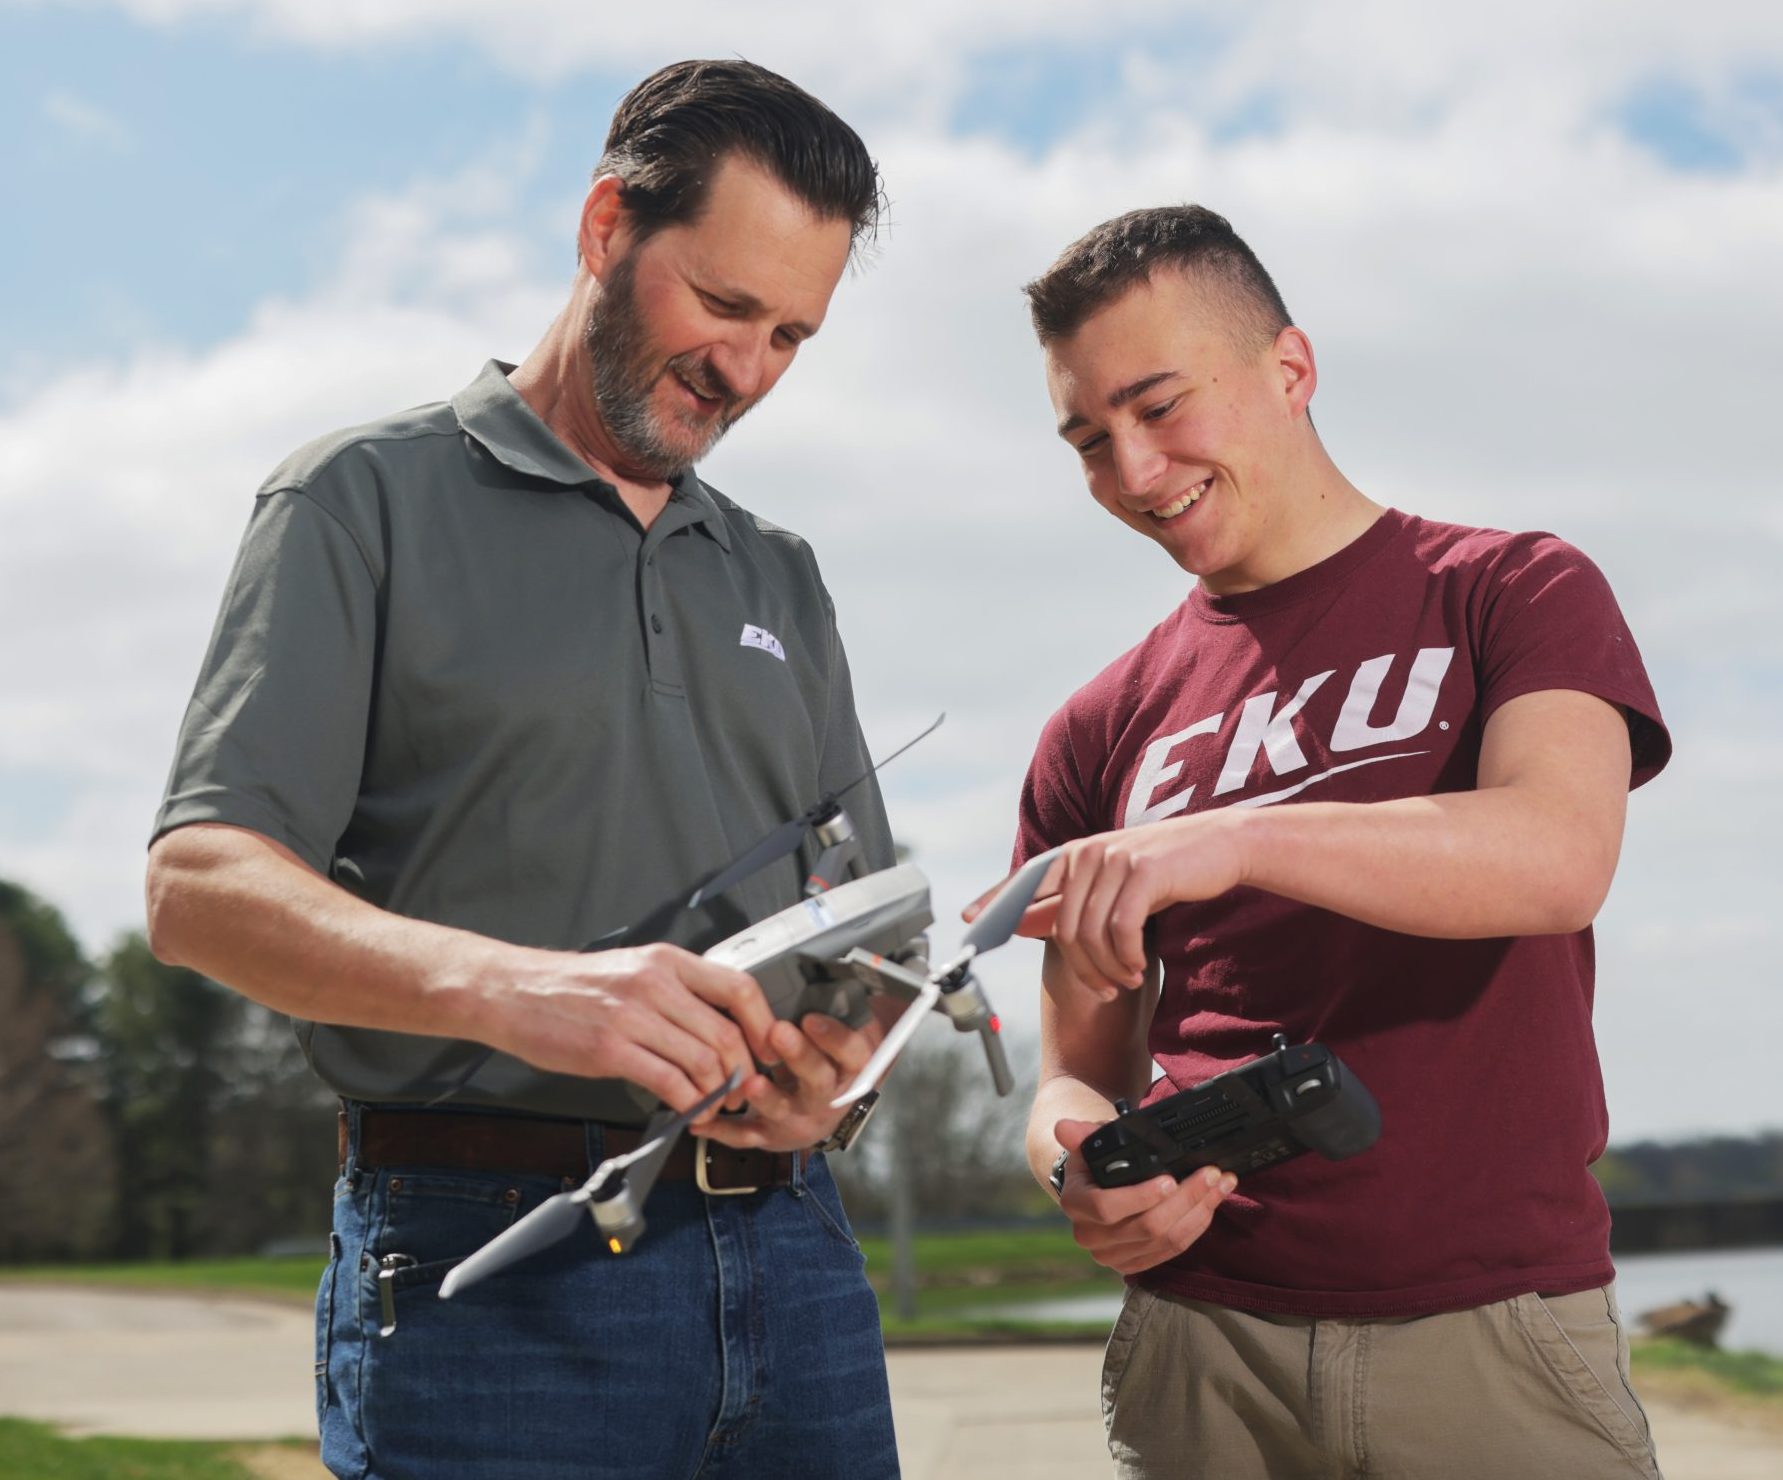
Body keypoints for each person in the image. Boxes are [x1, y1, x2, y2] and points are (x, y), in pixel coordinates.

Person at [146, 60, 902, 1480]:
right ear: (605, 227)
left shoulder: (780, 576)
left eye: (790, 334)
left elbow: (862, 930)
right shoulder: (357, 502)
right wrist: (515, 989)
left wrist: (835, 1084)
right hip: (486, 1264)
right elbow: (197, 888)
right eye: (725, 306)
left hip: (795, 1262)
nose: (745, 369)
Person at [985, 205, 1671, 1479]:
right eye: (1089, 438)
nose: (1133, 472)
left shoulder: (1511, 587)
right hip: (1202, 1356)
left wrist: (1230, 841)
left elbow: (1555, 855)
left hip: (1489, 1340)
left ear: (1289, 370)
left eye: (1158, 405)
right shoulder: (1095, 726)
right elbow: (1074, 1072)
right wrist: (1074, 1167)